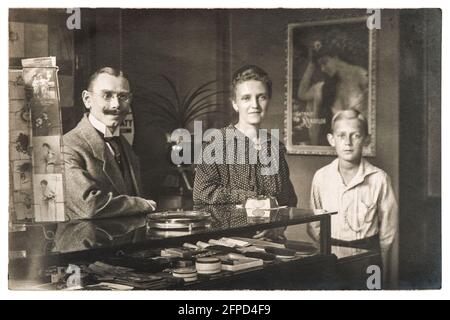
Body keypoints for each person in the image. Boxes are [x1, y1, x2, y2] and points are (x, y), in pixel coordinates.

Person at [309, 109, 398, 288]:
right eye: (341, 135)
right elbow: (314, 225)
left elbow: (388, 233)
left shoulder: (379, 178)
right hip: (331, 256)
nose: (348, 143)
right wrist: (327, 251)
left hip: (368, 257)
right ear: (331, 139)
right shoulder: (321, 177)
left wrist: (385, 275)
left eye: (355, 135)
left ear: (366, 139)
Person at [193, 65, 297, 208]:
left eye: (261, 97)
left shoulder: (274, 146)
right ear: (235, 104)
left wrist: (276, 228)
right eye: (246, 98)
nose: (255, 105)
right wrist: (249, 199)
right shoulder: (217, 142)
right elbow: (201, 193)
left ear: (268, 100)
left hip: (272, 230)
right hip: (230, 230)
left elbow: (288, 199)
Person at [62, 67, 157, 219]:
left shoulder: (123, 144)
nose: (116, 105)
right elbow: (89, 206)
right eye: (107, 95)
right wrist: (144, 204)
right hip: (88, 241)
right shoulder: (67, 146)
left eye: (123, 97)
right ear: (87, 99)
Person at [297, 33, 368, 145]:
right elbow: (302, 94)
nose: (323, 69)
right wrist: (311, 64)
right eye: (320, 66)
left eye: (325, 62)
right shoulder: (324, 87)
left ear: (336, 56)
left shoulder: (361, 75)